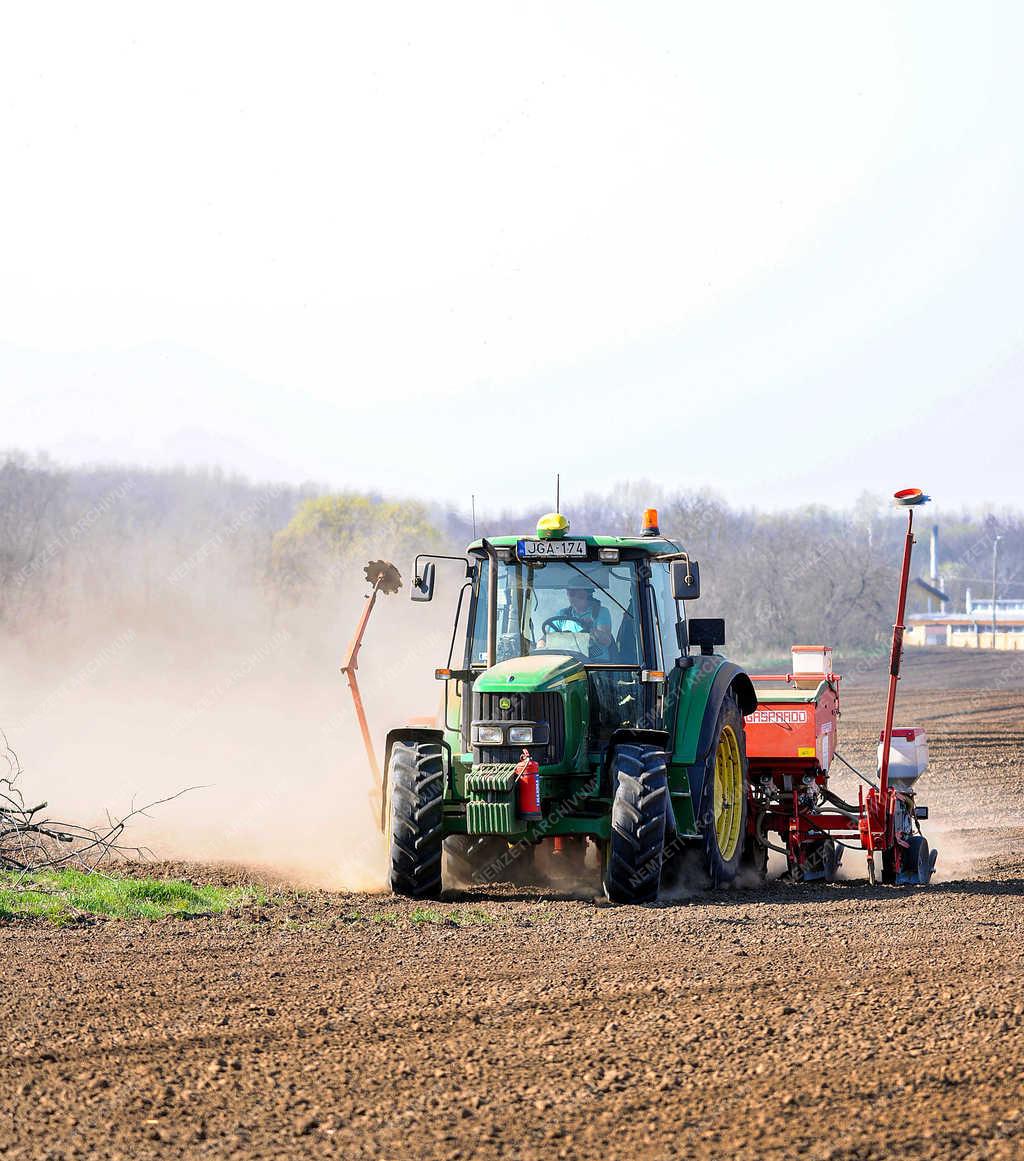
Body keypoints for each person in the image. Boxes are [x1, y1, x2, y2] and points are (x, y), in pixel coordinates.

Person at [551, 583, 614, 660]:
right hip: (567, 664)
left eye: (573, 592)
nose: (571, 596)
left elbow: (606, 641)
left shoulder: (600, 612)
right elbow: (547, 639)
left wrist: (590, 629)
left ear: (587, 593)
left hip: (596, 665)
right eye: (569, 593)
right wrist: (540, 646)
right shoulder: (562, 614)